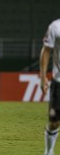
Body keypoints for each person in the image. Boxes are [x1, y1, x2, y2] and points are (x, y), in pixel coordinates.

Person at [40, 19, 60, 155]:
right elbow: (46, 51)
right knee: (54, 122)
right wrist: (42, 77)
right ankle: (49, 151)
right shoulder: (56, 27)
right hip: (58, 82)